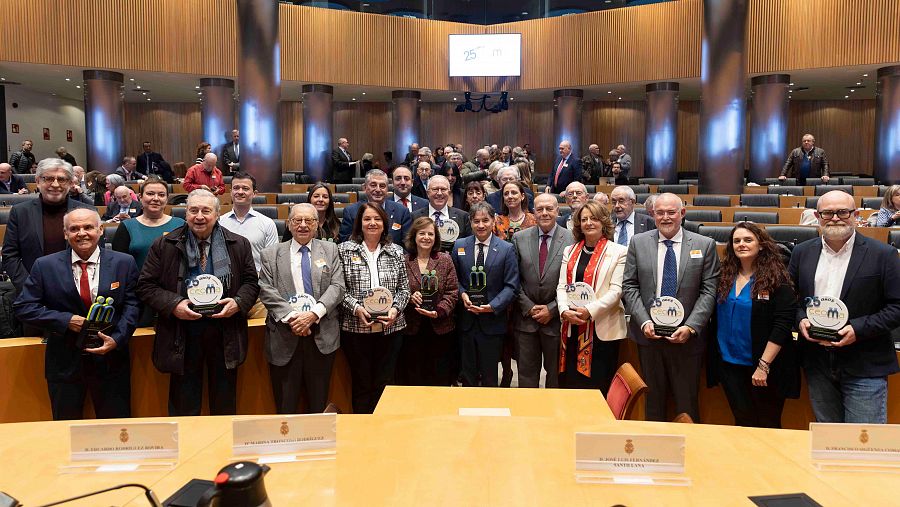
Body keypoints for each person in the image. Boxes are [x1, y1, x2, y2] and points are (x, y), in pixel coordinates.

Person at [137, 189, 260, 416]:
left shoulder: (239, 244)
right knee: (184, 403)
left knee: (224, 402)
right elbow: (146, 286)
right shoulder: (164, 245)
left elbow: (252, 282)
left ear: (217, 214)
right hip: (181, 333)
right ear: (186, 214)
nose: (199, 216)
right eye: (193, 210)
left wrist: (238, 302)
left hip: (224, 331)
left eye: (206, 211)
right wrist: (174, 304)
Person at [14, 208, 139, 420]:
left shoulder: (124, 263)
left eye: (88, 227)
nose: (82, 233)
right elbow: (24, 307)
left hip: (111, 362)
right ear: (65, 234)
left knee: (115, 431)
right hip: (64, 362)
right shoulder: (45, 266)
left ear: (101, 230)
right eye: (74, 229)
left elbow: (133, 305)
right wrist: (65, 320)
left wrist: (117, 340)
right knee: (65, 431)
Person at [789, 190, 900, 424]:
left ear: (856, 215)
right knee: (828, 443)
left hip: (864, 362)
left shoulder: (884, 254)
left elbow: (897, 307)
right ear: (818, 216)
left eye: (842, 212)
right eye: (827, 213)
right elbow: (791, 299)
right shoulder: (801, 252)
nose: (835, 218)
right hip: (817, 362)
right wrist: (801, 320)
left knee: (863, 445)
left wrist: (857, 330)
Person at [622, 193, 720, 422]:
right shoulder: (638, 242)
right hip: (649, 338)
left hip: (687, 340)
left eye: (671, 212)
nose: (665, 217)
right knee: (653, 403)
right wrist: (644, 321)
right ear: (652, 215)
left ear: (682, 214)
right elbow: (629, 285)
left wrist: (691, 327)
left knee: (687, 405)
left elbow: (709, 291)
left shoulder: (704, 245)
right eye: (660, 213)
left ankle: (690, 454)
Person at [708, 223, 799, 428]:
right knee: (742, 422)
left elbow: (782, 325)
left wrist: (763, 366)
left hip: (764, 366)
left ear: (761, 245)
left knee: (768, 425)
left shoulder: (778, 279)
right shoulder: (724, 276)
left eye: (748, 240)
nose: (741, 244)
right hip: (730, 364)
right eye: (737, 241)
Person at [258, 204, 345, 413]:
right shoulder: (271, 253)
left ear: (317, 225)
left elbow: (338, 286)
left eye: (309, 221)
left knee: (318, 403)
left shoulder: (330, 249)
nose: (303, 225)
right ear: (289, 224)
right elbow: (266, 290)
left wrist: (313, 314)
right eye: (297, 220)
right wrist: (294, 318)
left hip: (321, 336)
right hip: (284, 337)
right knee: (285, 406)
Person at [338, 203, 409, 413]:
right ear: (359, 223)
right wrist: (357, 308)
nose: (372, 223)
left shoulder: (396, 251)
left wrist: (395, 309)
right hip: (356, 328)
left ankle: (383, 430)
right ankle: (362, 430)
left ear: (384, 224)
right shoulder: (344, 250)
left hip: (391, 328)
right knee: (361, 384)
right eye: (367, 219)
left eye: (377, 219)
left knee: (384, 383)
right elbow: (339, 289)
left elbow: (404, 289)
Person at [556, 201, 628, 393]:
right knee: (571, 386)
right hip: (572, 326)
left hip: (602, 330)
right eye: (584, 219)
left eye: (594, 218)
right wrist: (564, 311)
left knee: (598, 387)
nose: (588, 223)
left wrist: (589, 311)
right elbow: (562, 286)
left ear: (603, 221)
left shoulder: (619, 252)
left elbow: (616, 290)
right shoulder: (569, 251)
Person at [2, 158, 96, 294]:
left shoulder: (88, 212)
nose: (55, 184)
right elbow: (10, 255)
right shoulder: (20, 212)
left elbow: (97, 255)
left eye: (62, 179)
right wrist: (28, 287)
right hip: (32, 293)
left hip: (78, 294)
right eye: (48, 179)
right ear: (38, 181)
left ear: (70, 183)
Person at [451, 201, 519, 387]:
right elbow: (453, 280)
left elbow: (512, 286)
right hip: (466, 322)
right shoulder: (459, 246)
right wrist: (462, 294)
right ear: (470, 222)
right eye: (476, 221)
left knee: (490, 376)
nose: (481, 225)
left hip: (492, 323)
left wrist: (493, 306)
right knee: (467, 375)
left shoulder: (506, 249)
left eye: (485, 220)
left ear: (494, 221)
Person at [512, 193, 574, 388]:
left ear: (558, 211)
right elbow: (514, 279)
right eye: (540, 209)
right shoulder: (519, 238)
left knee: (556, 378)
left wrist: (553, 309)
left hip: (556, 321)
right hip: (526, 321)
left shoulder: (572, 238)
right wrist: (529, 307)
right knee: (526, 376)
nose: (545, 213)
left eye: (549, 209)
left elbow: (574, 282)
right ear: (533, 212)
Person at [112, 177, 185, 327]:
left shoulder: (181, 225)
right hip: (138, 298)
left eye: (161, 194)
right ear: (140, 197)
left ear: (167, 198)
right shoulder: (126, 227)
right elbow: (119, 268)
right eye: (150, 194)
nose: (155, 199)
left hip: (174, 297)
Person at [399, 217, 459, 386]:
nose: (426, 237)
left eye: (430, 234)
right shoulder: (403, 261)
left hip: (440, 329)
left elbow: (452, 291)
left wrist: (439, 311)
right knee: (413, 377)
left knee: (439, 377)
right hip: (412, 329)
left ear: (436, 237)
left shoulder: (445, 259)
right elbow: (397, 290)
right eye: (422, 233)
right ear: (414, 236)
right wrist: (409, 298)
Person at [218, 171, 279, 272]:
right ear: (231, 192)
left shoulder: (267, 223)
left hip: (258, 281)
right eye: (236, 188)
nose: (240, 192)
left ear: (254, 193)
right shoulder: (220, 223)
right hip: (227, 281)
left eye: (245, 188)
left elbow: (272, 260)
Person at [339, 169, 411, 244]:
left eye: (382, 186)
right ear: (365, 188)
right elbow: (345, 240)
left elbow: (407, 243)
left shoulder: (402, 211)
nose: (378, 189)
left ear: (387, 189)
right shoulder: (351, 211)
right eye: (373, 185)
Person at [412, 175, 472, 251]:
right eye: (435, 189)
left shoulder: (463, 217)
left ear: (449, 192)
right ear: (427, 193)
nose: (439, 193)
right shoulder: (414, 217)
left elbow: (467, 245)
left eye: (443, 189)